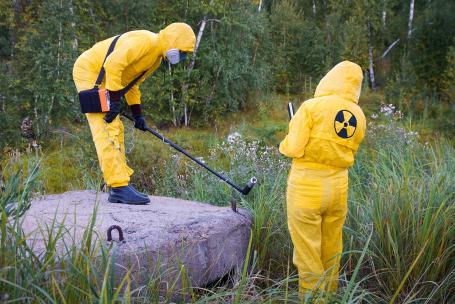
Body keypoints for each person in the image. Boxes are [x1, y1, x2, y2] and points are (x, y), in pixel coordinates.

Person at [73, 23, 196, 205]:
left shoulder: (156, 58)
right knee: (106, 128)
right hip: (91, 71)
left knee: (116, 127)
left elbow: (131, 84)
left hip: (105, 74)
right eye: (182, 51)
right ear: (173, 42)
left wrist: (138, 114)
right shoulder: (146, 41)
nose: (183, 56)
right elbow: (113, 65)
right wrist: (114, 99)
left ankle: (121, 184)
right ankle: (118, 187)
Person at [279, 61, 366, 293]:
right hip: (338, 188)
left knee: (308, 254)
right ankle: (331, 294)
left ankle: (313, 299)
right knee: (332, 248)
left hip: (307, 187)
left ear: (330, 78)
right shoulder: (359, 115)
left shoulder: (311, 107)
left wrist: (286, 140)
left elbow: (294, 148)